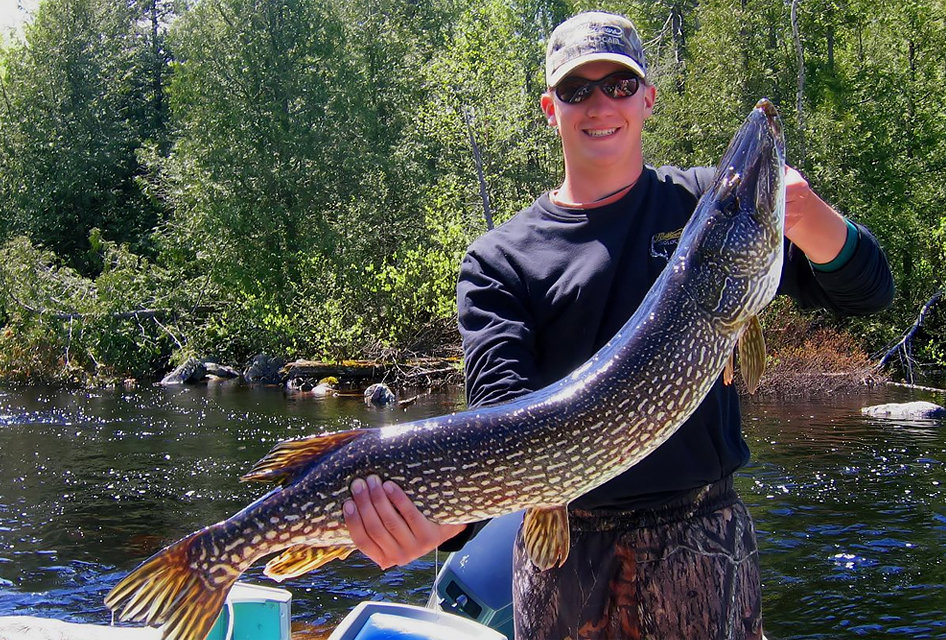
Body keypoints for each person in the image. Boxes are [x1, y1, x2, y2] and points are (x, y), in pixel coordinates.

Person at [342, 10, 894, 639]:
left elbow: (869, 292)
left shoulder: (705, 208)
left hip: (704, 543)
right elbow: (501, 415)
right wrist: (443, 520)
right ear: (552, 109)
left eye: (620, 85)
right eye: (578, 90)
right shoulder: (500, 259)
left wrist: (806, 213)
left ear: (648, 99)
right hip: (563, 562)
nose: (599, 103)